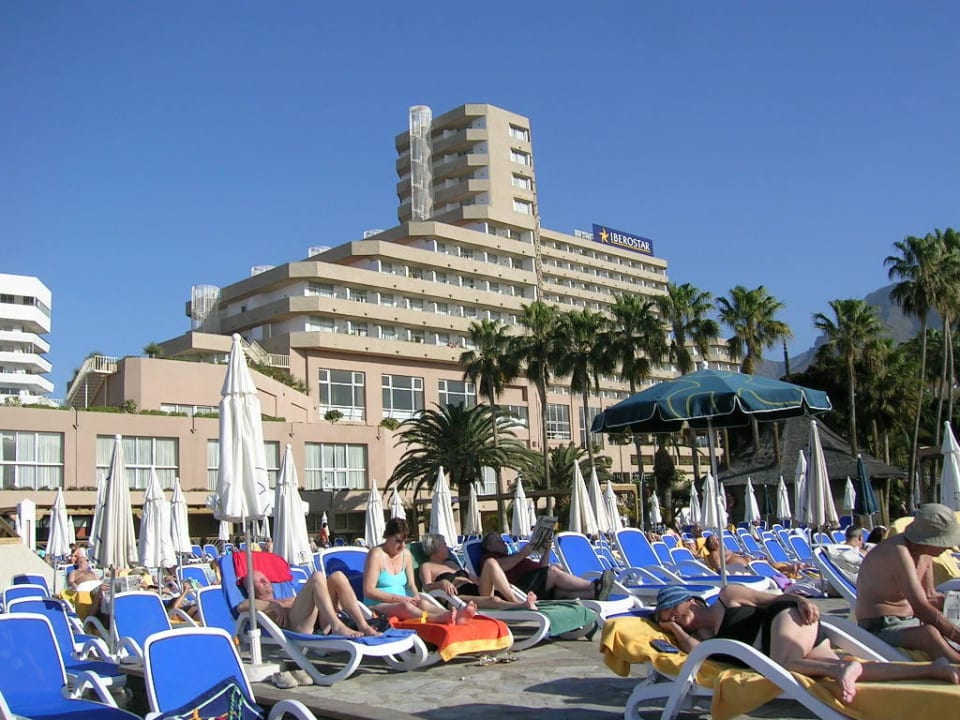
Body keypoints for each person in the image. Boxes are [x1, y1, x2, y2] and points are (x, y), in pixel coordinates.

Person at [655, 584, 960, 704]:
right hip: (794, 646)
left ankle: (845, 669)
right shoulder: (705, 640)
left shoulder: (729, 596)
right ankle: (935, 669)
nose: (679, 622)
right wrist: (672, 629)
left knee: (784, 665)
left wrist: (801, 600)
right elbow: (695, 652)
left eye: (677, 614)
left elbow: (776, 599)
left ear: (691, 601)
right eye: (672, 621)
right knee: (851, 670)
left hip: (788, 620)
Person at [856, 503, 960, 662]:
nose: (949, 547)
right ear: (929, 539)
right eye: (945, 542)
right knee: (929, 635)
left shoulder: (925, 553)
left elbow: (929, 596)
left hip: (910, 621)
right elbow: (921, 607)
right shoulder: (897, 552)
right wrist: (955, 634)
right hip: (879, 627)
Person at [362, 518, 472, 623]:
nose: (402, 546)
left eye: (404, 541)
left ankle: (456, 615)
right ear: (387, 537)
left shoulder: (406, 555)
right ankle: (435, 619)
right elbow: (369, 590)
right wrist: (399, 599)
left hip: (404, 601)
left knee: (423, 603)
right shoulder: (376, 555)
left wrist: (416, 597)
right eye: (398, 541)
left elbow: (411, 585)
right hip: (377, 604)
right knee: (405, 607)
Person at [238, 568, 378, 637]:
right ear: (250, 590)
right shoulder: (258, 604)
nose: (266, 581)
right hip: (301, 628)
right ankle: (337, 626)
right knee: (317, 576)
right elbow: (241, 606)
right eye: (259, 581)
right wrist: (272, 605)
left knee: (337, 576)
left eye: (265, 578)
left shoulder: (285, 597)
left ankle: (363, 625)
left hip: (321, 622)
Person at [480, 532, 614, 601]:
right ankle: (594, 586)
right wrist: (523, 553)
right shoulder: (490, 558)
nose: (504, 542)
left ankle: (595, 594)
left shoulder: (513, 555)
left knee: (562, 592)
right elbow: (499, 567)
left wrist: (547, 549)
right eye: (499, 540)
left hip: (536, 584)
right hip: (522, 587)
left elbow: (541, 568)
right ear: (489, 546)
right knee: (553, 571)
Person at [418, 533, 537, 610]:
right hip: (456, 597)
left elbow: (475, 579)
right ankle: (520, 606)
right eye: (444, 544)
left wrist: (500, 584)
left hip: (475, 588)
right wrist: (442, 583)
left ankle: (514, 600)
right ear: (435, 547)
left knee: (490, 562)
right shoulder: (427, 566)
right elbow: (427, 587)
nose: (447, 547)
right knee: (493, 600)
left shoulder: (451, 563)